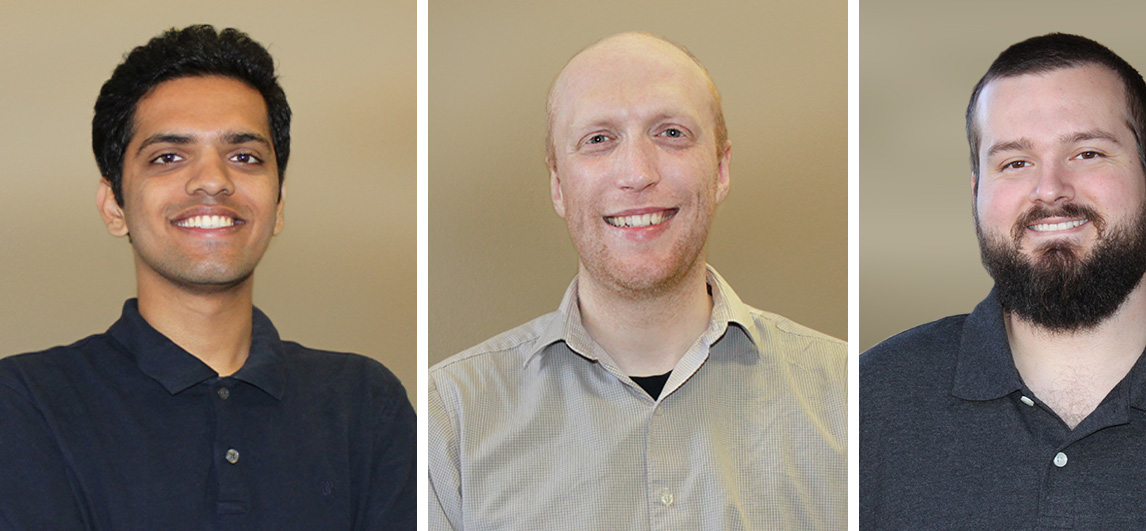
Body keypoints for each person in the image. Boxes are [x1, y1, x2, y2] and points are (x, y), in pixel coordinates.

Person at [0, 25, 414, 529]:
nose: (214, 180)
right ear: (115, 206)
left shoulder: (364, 403)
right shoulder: (27, 401)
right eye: (168, 157)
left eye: (245, 157)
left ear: (277, 205)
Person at [428, 32, 847, 530]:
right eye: (599, 140)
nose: (637, 172)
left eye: (670, 133)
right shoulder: (450, 418)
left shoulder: (849, 399)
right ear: (558, 186)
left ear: (720, 169)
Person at [860, 32, 1146, 528]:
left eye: (1088, 153)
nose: (1050, 190)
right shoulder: (873, 400)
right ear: (976, 198)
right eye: (1016, 162)